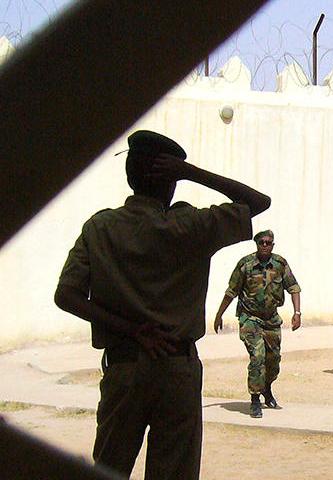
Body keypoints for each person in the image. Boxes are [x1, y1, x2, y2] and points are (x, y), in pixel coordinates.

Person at [54, 130, 271, 479]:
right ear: (172, 182)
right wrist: (193, 172)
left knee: (110, 466)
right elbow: (259, 202)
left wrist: (132, 330)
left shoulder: (100, 228)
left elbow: (66, 295)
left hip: (123, 366)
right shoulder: (192, 225)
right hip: (176, 369)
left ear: (128, 175)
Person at [213, 230, 301, 418]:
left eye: (268, 242)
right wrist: (219, 314)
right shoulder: (245, 264)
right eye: (261, 242)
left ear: (273, 245)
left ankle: (266, 388)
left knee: (273, 360)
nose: (264, 245)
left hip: (271, 319)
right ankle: (255, 399)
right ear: (256, 244)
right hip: (250, 318)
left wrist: (297, 313)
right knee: (258, 356)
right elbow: (231, 291)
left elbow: (293, 287)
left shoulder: (280, 264)